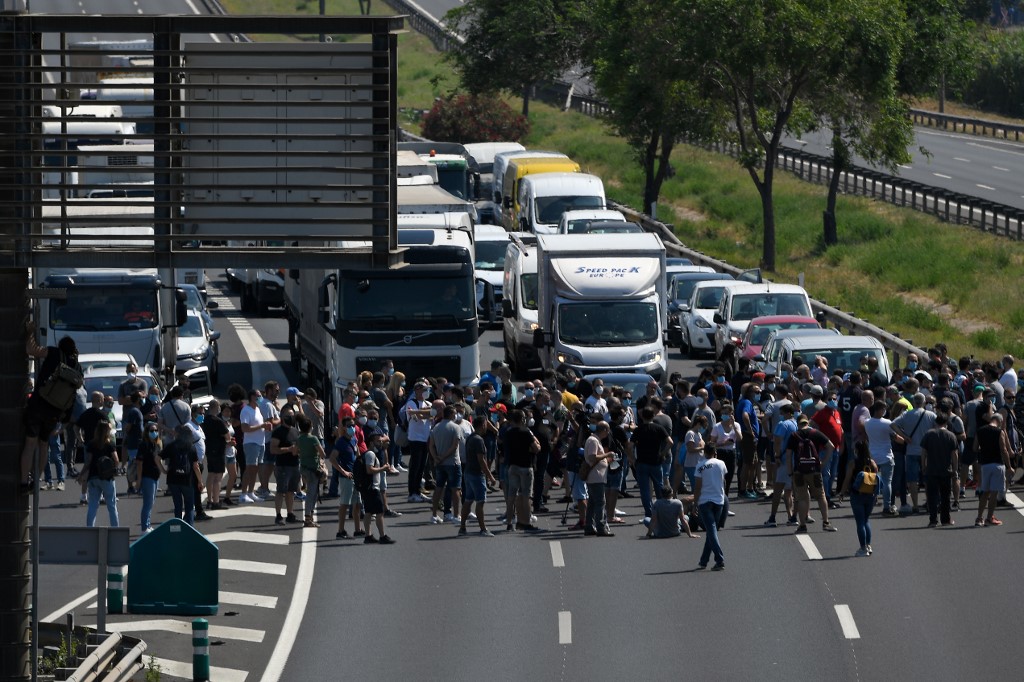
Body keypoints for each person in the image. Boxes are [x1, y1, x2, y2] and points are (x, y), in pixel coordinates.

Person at [21, 321, 81, 490]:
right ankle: (36, 481)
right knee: (43, 445)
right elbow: (73, 394)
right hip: (54, 412)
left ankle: (24, 481)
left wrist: (30, 332)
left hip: (38, 404)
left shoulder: (54, 353)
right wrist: (65, 418)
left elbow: (31, 350)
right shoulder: (77, 367)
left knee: (29, 443)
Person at [788, 415, 838, 534]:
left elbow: (789, 455)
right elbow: (830, 446)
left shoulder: (794, 436)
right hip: (814, 470)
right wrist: (823, 463)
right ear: (807, 422)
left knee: (802, 497)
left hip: (799, 471)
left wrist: (790, 472)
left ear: (798, 423)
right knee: (821, 496)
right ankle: (826, 522)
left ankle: (802, 525)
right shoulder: (816, 433)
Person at [974, 407, 1014, 527]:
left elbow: (975, 448)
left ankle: (979, 518)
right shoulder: (999, 432)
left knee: (984, 493)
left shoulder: (980, 431)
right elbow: (1004, 450)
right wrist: (1009, 466)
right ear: (1000, 422)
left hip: (984, 465)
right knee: (994, 493)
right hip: (997, 464)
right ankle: (989, 517)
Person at [502, 409, 542, 532]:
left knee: (511, 496)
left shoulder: (508, 433)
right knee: (526, 496)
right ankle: (526, 521)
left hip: (512, 466)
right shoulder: (526, 432)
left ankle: (509, 522)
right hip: (525, 466)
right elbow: (536, 449)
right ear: (522, 419)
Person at [460, 416, 498, 536]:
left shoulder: (471, 437)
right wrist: (490, 476)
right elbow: (481, 461)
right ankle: (483, 529)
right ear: (482, 425)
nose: (487, 426)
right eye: (486, 424)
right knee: (480, 502)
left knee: (468, 501)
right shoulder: (479, 440)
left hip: (468, 472)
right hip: (476, 474)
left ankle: (462, 528)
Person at [632, 406, 673, 519]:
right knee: (659, 486)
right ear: (653, 415)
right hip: (656, 461)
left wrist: (632, 459)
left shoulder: (638, 429)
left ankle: (649, 513)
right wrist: (663, 453)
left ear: (642, 416)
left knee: (645, 489)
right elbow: (670, 442)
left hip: (642, 462)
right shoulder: (659, 428)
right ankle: (661, 510)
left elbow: (630, 445)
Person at [920, 413, 959, 528]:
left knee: (932, 496)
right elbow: (954, 454)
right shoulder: (951, 435)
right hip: (946, 470)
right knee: (945, 496)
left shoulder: (929, 434)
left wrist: (923, 466)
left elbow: (923, 453)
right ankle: (945, 519)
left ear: (936, 422)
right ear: (946, 423)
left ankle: (933, 520)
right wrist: (955, 469)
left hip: (932, 470)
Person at [161, 424, 203, 526]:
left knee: (178, 505)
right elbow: (195, 466)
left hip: (172, 479)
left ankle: (178, 527)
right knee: (189, 505)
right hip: (187, 479)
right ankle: (189, 528)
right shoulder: (191, 447)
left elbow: (158, 458)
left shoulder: (171, 445)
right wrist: (200, 481)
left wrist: (163, 470)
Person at [429, 404, 464, 524]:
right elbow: (455, 446)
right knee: (455, 489)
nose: (456, 415)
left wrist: (436, 458)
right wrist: (443, 457)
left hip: (440, 464)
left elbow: (431, 446)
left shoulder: (436, 427)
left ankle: (434, 514)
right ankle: (456, 515)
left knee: (439, 488)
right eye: (455, 413)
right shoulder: (456, 427)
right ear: (451, 414)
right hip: (453, 463)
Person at [693, 446, 727, 570]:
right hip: (719, 500)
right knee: (711, 530)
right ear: (715, 452)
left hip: (705, 500)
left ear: (704, 453)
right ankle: (703, 560)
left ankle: (719, 559)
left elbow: (697, 486)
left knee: (711, 530)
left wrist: (695, 503)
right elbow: (722, 480)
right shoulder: (721, 463)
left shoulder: (700, 466)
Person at [329, 416, 363, 539]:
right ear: (343, 427)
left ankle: (358, 529)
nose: (352, 428)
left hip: (355, 477)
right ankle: (341, 530)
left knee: (357, 504)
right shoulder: (341, 442)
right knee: (344, 504)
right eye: (349, 426)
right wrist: (343, 472)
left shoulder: (353, 439)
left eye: (353, 425)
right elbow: (332, 459)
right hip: (346, 478)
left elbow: (357, 454)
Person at [80, 421, 119, 528]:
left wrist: (81, 475)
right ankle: (115, 530)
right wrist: (113, 469)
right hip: (107, 478)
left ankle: (90, 529)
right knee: (111, 506)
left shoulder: (91, 444)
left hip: (93, 478)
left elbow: (88, 462)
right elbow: (116, 460)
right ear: (107, 431)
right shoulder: (110, 444)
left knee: (92, 505)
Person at [360, 428, 395, 544]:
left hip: (368, 488)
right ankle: (382, 536)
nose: (380, 443)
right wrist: (383, 469)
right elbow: (369, 470)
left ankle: (368, 536)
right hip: (372, 488)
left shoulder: (370, 453)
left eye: (381, 441)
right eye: (378, 441)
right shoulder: (370, 454)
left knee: (369, 512)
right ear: (371, 443)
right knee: (380, 512)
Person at [844, 443, 879, 556]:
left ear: (857, 450)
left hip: (857, 495)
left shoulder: (853, 463)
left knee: (860, 522)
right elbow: (875, 479)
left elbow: (847, 478)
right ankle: (868, 545)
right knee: (866, 520)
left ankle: (862, 548)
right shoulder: (872, 463)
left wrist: (842, 492)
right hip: (870, 496)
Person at [270, 407, 302, 526]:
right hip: (283, 466)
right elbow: (273, 449)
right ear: (282, 417)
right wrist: (288, 449)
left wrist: (298, 451)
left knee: (291, 491)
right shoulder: (278, 431)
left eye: (293, 415)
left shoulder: (295, 431)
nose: (291, 418)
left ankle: (290, 514)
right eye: (289, 415)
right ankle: (278, 515)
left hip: (294, 465)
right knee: (281, 491)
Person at [583, 421, 616, 537]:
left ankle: (589, 527)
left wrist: (606, 460)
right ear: (604, 430)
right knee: (600, 503)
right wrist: (607, 455)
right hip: (596, 477)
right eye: (607, 431)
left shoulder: (595, 440)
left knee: (592, 503)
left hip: (597, 477)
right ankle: (601, 528)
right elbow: (592, 457)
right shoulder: (593, 440)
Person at [238, 389, 270, 503]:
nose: (261, 398)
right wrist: (261, 426)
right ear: (252, 397)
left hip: (260, 442)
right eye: (258, 396)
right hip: (251, 443)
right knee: (249, 468)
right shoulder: (246, 411)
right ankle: (243, 494)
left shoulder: (258, 409)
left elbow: (259, 425)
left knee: (255, 469)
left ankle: (251, 492)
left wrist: (265, 426)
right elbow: (245, 428)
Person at [296, 414, 326, 528]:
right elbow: (323, 453)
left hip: (303, 468)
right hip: (313, 468)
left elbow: (295, 452)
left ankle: (310, 516)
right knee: (312, 493)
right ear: (310, 427)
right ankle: (308, 517)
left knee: (311, 492)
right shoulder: (313, 439)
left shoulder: (299, 439)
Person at [137, 422, 164, 533]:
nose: (154, 433)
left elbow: (158, 461)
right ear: (146, 432)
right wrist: (139, 480)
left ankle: (147, 524)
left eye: (156, 430)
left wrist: (163, 471)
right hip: (147, 476)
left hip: (155, 476)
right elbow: (139, 463)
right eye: (151, 431)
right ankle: (144, 528)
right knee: (148, 503)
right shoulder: (144, 445)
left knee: (151, 502)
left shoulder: (156, 444)